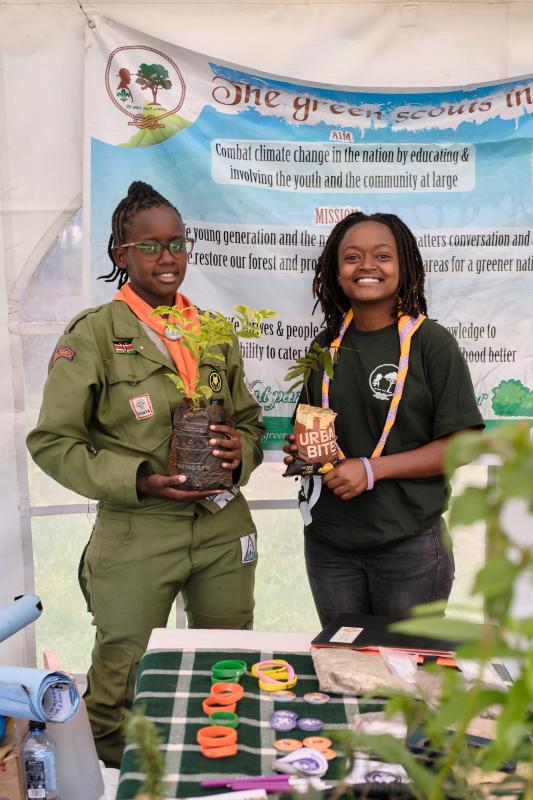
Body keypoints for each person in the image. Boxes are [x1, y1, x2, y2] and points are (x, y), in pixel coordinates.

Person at [27, 181, 264, 767]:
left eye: (177, 243)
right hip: (139, 526)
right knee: (121, 678)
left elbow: (250, 422)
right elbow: (53, 442)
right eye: (151, 246)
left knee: (226, 664)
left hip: (221, 524)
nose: (168, 257)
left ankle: (213, 772)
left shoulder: (214, 330)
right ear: (121, 254)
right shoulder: (95, 334)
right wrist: (136, 479)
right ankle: (117, 777)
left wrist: (239, 452)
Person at [284, 211, 484, 628]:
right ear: (336, 273)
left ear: (404, 267)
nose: (367, 266)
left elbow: (463, 444)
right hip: (329, 547)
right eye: (352, 257)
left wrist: (372, 470)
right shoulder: (325, 347)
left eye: (382, 255)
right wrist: (303, 453)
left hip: (408, 547)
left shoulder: (431, 343)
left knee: (404, 667)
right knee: (345, 663)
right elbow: (313, 426)